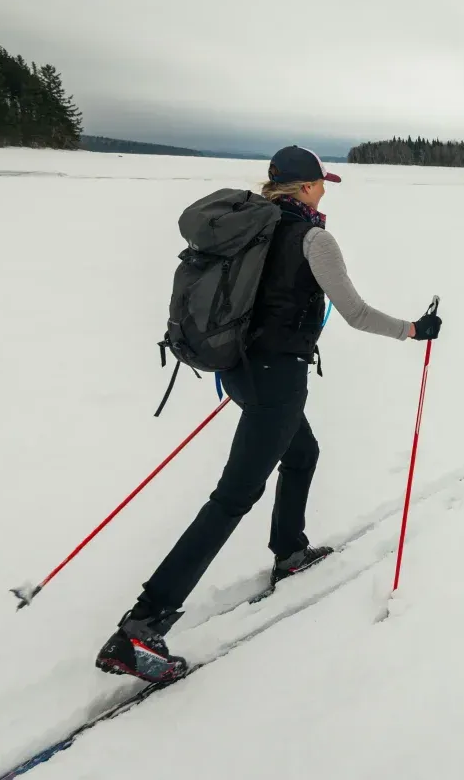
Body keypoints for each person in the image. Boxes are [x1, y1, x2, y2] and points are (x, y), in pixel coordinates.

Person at [95, 145, 443, 683]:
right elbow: (355, 313)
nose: (324, 190)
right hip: (275, 378)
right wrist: (414, 330)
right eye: (320, 183)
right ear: (304, 187)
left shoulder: (251, 227)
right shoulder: (313, 238)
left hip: (240, 369)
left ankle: (290, 551)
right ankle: (141, 626)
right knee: (233, 497)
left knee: (302, 453)